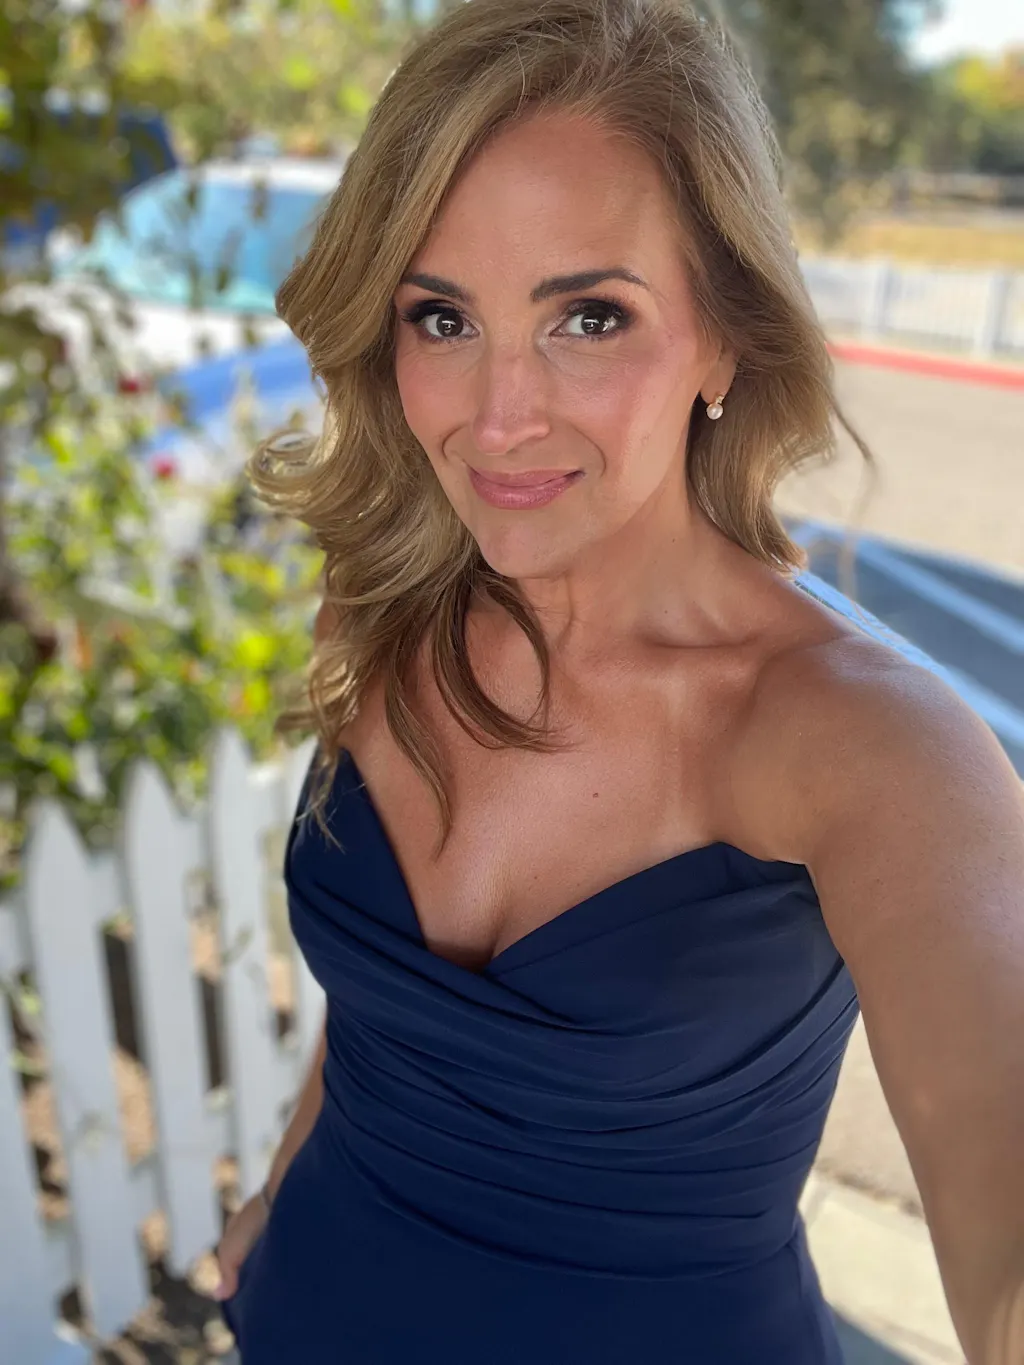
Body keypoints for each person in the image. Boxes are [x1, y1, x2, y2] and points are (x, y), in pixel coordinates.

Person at [213, 1, 1024, 1360]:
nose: (498, 417)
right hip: (302, 1307)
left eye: (588, 316)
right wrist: (279, 1188)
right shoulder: (386, 603)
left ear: (725, 339)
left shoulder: (867, 743)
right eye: (441, 317)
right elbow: (382, 1018)